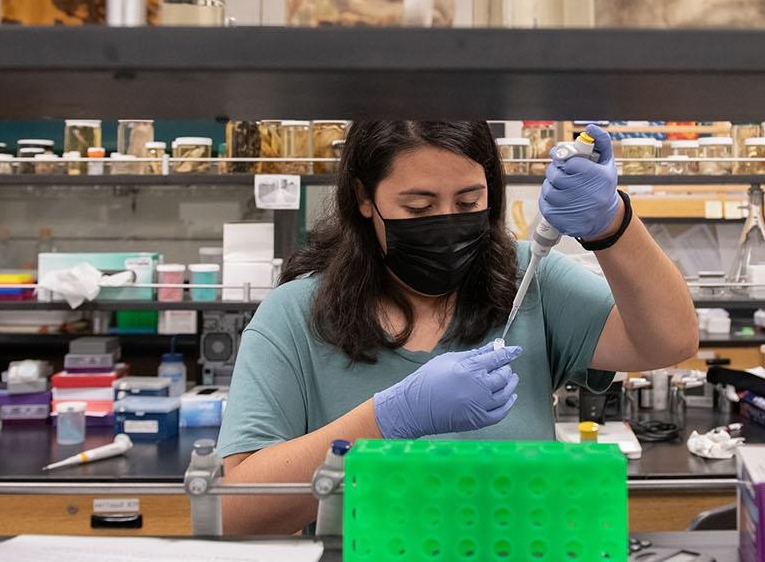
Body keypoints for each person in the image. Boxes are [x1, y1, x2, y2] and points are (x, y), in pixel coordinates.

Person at [217, 121, 697, 534]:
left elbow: (670, 340)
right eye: (419, 208)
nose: (447, 222)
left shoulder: (528, 278)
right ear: (365, 198)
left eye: (469, 201)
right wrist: (386, 421)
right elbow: (235, 512)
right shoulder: (295, 313)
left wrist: (612, 223)